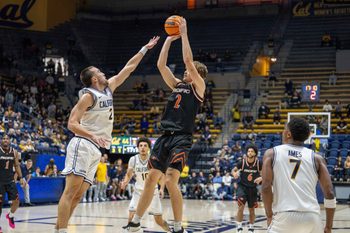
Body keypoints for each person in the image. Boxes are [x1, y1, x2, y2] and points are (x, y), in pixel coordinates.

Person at [55, 36, 159, 233]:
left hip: (95, 149)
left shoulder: (108, 89)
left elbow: (128, 68)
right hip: (83, 144)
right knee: (70, 193)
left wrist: (145, 48)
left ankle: (59, 228)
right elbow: (71, 124)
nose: (103, 73)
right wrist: (93, 136)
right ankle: (61, 231)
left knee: (78, 196)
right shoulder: (88, 96)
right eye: (99, 72)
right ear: (95, 79)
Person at [126, 18, 207, 233]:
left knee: (171, 180)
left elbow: (189, 61)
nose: (184, 73)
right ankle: (135, 222)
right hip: (165, 137)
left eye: (188, 72)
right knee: (152, 177)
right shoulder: (177, 85)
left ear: (197, 74)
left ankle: (179, 226)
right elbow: (161, 65)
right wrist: (169, 40)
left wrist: (185, 33)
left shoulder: (198, 87)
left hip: (182, 137)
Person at [261, 117, 335, 233]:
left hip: (284, 216)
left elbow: (265, 187)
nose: (283, 132)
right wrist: (328, 227)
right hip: (312, 217)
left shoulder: (271, 154)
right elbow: (329, 192)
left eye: (284, 129)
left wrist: (269, 215)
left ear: (288, 134)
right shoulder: (317, 158)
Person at [121, 137, 170, 231]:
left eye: (145, 146)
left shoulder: (153, 159)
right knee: (131, 216)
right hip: (138, 191)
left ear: (149, 148)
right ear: (138, 148)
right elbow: (129, 174)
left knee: (159, 220)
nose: (142, 148)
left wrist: (162, 189)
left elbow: (161, 176)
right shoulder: (133, 159)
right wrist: (125, 182)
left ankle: (170, 230)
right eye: (140, 146)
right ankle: (136, 230)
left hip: (153, 192)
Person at [232, 144, 262, 233]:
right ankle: (239, 226)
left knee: (251, 209)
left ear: (255, 153)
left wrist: (262, 178)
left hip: (252, 188)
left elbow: (265, 173)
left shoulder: (258, 163)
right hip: (242, 187)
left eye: (252, 151)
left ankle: (251, 227)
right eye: (248, 151)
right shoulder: (242, 162)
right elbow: (233, 170)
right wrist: (234, 174)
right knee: (240, 207)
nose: (250, 153)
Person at [0, 135, 25, 232]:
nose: (5, 140)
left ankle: (10, 216)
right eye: (4, 139)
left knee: (16, 201)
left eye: (7, 139)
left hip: (10, 180)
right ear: (1, 141)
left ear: (9, 141)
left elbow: (17, 165)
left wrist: (21, 177)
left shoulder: (14, 152)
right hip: (0, 182)